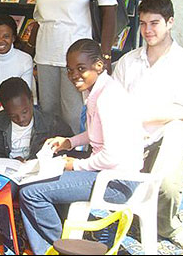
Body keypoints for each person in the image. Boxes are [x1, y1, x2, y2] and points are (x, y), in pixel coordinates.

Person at [19, 38, 144, 255]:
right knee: (42, 176)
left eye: (80, 69)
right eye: (70, 70)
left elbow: (111, 156)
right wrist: (69, 142)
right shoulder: (99, 90)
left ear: (99, 65)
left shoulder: (107, 98)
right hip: (110, 173)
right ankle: (59, 242)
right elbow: (97, 133)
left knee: (31, 192)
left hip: (116, 182)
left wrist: (75, 165)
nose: (74, 75)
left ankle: (59, 248)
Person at [112, 0, 183, 251]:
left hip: (165, 133)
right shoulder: (128, 62)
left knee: (167, 182)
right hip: (130, 135)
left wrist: (141, 119)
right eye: (142, 23)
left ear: (170, 22)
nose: (147, 30)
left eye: (154, 23)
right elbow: (114, 103)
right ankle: (129, 212)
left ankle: (168, 225)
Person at [33, 0, 117, 134]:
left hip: (76, 57)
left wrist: (105, 55)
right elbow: (39, 17)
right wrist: (30, 50)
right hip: (45, 55)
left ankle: (76, 157)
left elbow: (110, 10)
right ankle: (52, 156)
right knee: (48, 112)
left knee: (72, 113)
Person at [0, 76, 72, 246]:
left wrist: (47, 158)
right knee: (3, 189)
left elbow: (69, 145)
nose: (21, 119)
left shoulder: (50, 122)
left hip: (35, 172)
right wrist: (7, 160)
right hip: (9, 172)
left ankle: (45, 234)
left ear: (31, 99)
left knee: (36, 190)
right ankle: (0, 230)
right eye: (14, 116)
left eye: (25, 112)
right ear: (4, 109)